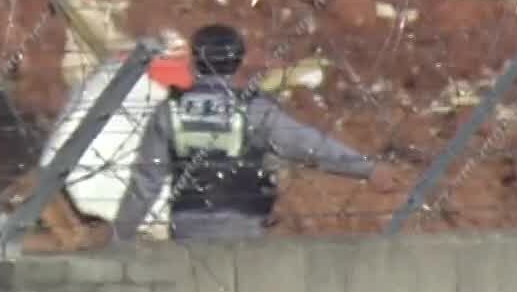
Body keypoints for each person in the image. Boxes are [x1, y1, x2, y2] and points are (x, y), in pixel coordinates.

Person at [111, 23, 387, 243]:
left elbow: (146, 182)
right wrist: (365, 168)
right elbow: (306, 144)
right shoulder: (252, 110)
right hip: (243, 227)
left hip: (187, 227)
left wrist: (119, 239)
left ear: (195, 59)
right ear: (238, 60)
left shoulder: (169, 111)